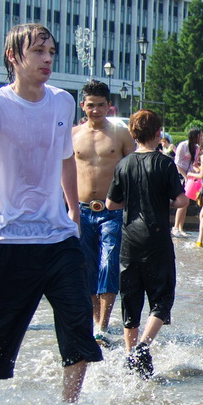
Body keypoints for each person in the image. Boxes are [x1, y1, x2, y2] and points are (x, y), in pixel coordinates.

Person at [0, 23, 103, 405]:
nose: (48, 59)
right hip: (8, 240)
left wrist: (73, 210)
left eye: (51, 51)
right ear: (14, 57)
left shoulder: (62, 101)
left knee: (79, 328)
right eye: (38, 51)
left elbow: (65, 157)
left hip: (58, 239)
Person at [105, 109, 188, 378]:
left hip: (129, 240)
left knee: (130, 299)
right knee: (162, 297)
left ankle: (131, 359)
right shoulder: (165, 164)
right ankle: (143, 346)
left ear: (132, 134)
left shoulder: (123, 164)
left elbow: (110, 204)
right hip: (157, 239)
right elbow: (181, 201)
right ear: (158, 134)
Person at [71, 79, 135, 346]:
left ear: (109, 106)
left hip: (112, 211)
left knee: (108, 264)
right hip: (82, 210)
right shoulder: (73, 134)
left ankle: (103, 325)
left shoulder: (120, 134)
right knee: (86, 266)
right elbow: (61, 172)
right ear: (83, 106)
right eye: (90, 105)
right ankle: (94, 319)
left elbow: (134, 169)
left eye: (100, 105)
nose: (95, 110)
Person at [172, 127, 202, 237]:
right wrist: (185, 176)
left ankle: (180, 227)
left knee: (186, 203)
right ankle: (176, 227)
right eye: (200, 136)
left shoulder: (197, 148)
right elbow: (177, 163)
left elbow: (194, 164)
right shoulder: (183, 145)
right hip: (181, 175)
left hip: (190, 177)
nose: (201, 138)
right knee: (183, 202)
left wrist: (199, 172)